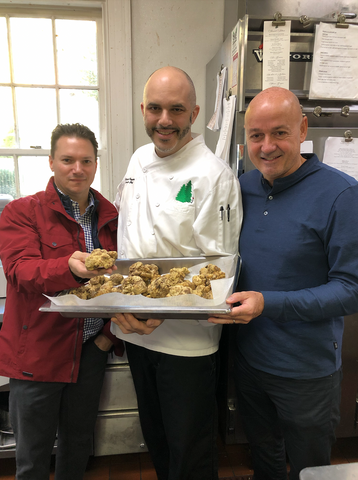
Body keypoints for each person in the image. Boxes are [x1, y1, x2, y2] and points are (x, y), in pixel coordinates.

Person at [209, 87, 358, 480]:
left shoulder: (342, 194)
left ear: (303, 128)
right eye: (256, 135)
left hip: (307, 371)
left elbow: (351, 288)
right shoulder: (245, 186)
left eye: (280, 133)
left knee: (310, 468)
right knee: (264, 457)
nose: (267, 146)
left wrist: (267, 303)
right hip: (249, 359)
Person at [110, 66, 242, 480]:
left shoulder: (214, 174)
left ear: (195, 113)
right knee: (158, 442)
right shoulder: (136, 160)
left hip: (187, 341)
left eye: (176, 109)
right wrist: (120, 305)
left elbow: (218, 271)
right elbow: (127, 246)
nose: (164, 120)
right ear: (143, 110)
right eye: (155, 108)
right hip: (135, 331)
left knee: (190, 453)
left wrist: (157, 308)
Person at [0, 123, 123, 480]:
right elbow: (21, 271)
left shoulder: (110, 214)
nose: (77, 169)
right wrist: (68, 268)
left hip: (89, 348)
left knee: (78, 443)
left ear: (96, 164)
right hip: (37, 353)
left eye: (86, 160)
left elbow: (123, 282)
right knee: (33, 453)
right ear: (52, 162)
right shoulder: (22, 212)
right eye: (68, 159)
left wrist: (106, 339)